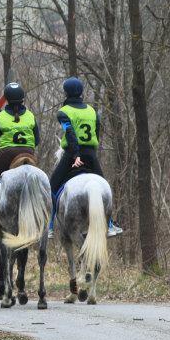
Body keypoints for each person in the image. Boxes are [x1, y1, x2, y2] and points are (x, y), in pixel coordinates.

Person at [50, 77, 123, 236]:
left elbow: (70, 134)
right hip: (91, 154)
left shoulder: (64, 112)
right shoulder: (92, 111)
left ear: (66, 93)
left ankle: (49, 227)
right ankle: (109, 224)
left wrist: (75, 155)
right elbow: (96, 133)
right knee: (105, 189)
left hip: (71, 154)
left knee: (52, 186)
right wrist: (90, 154)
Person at [0, 82, 39, 218]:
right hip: (29, 152)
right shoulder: (30, 115)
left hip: (7, 154)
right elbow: (37, 139)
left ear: (7, 100)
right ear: (23, 98)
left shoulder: (1, 117)